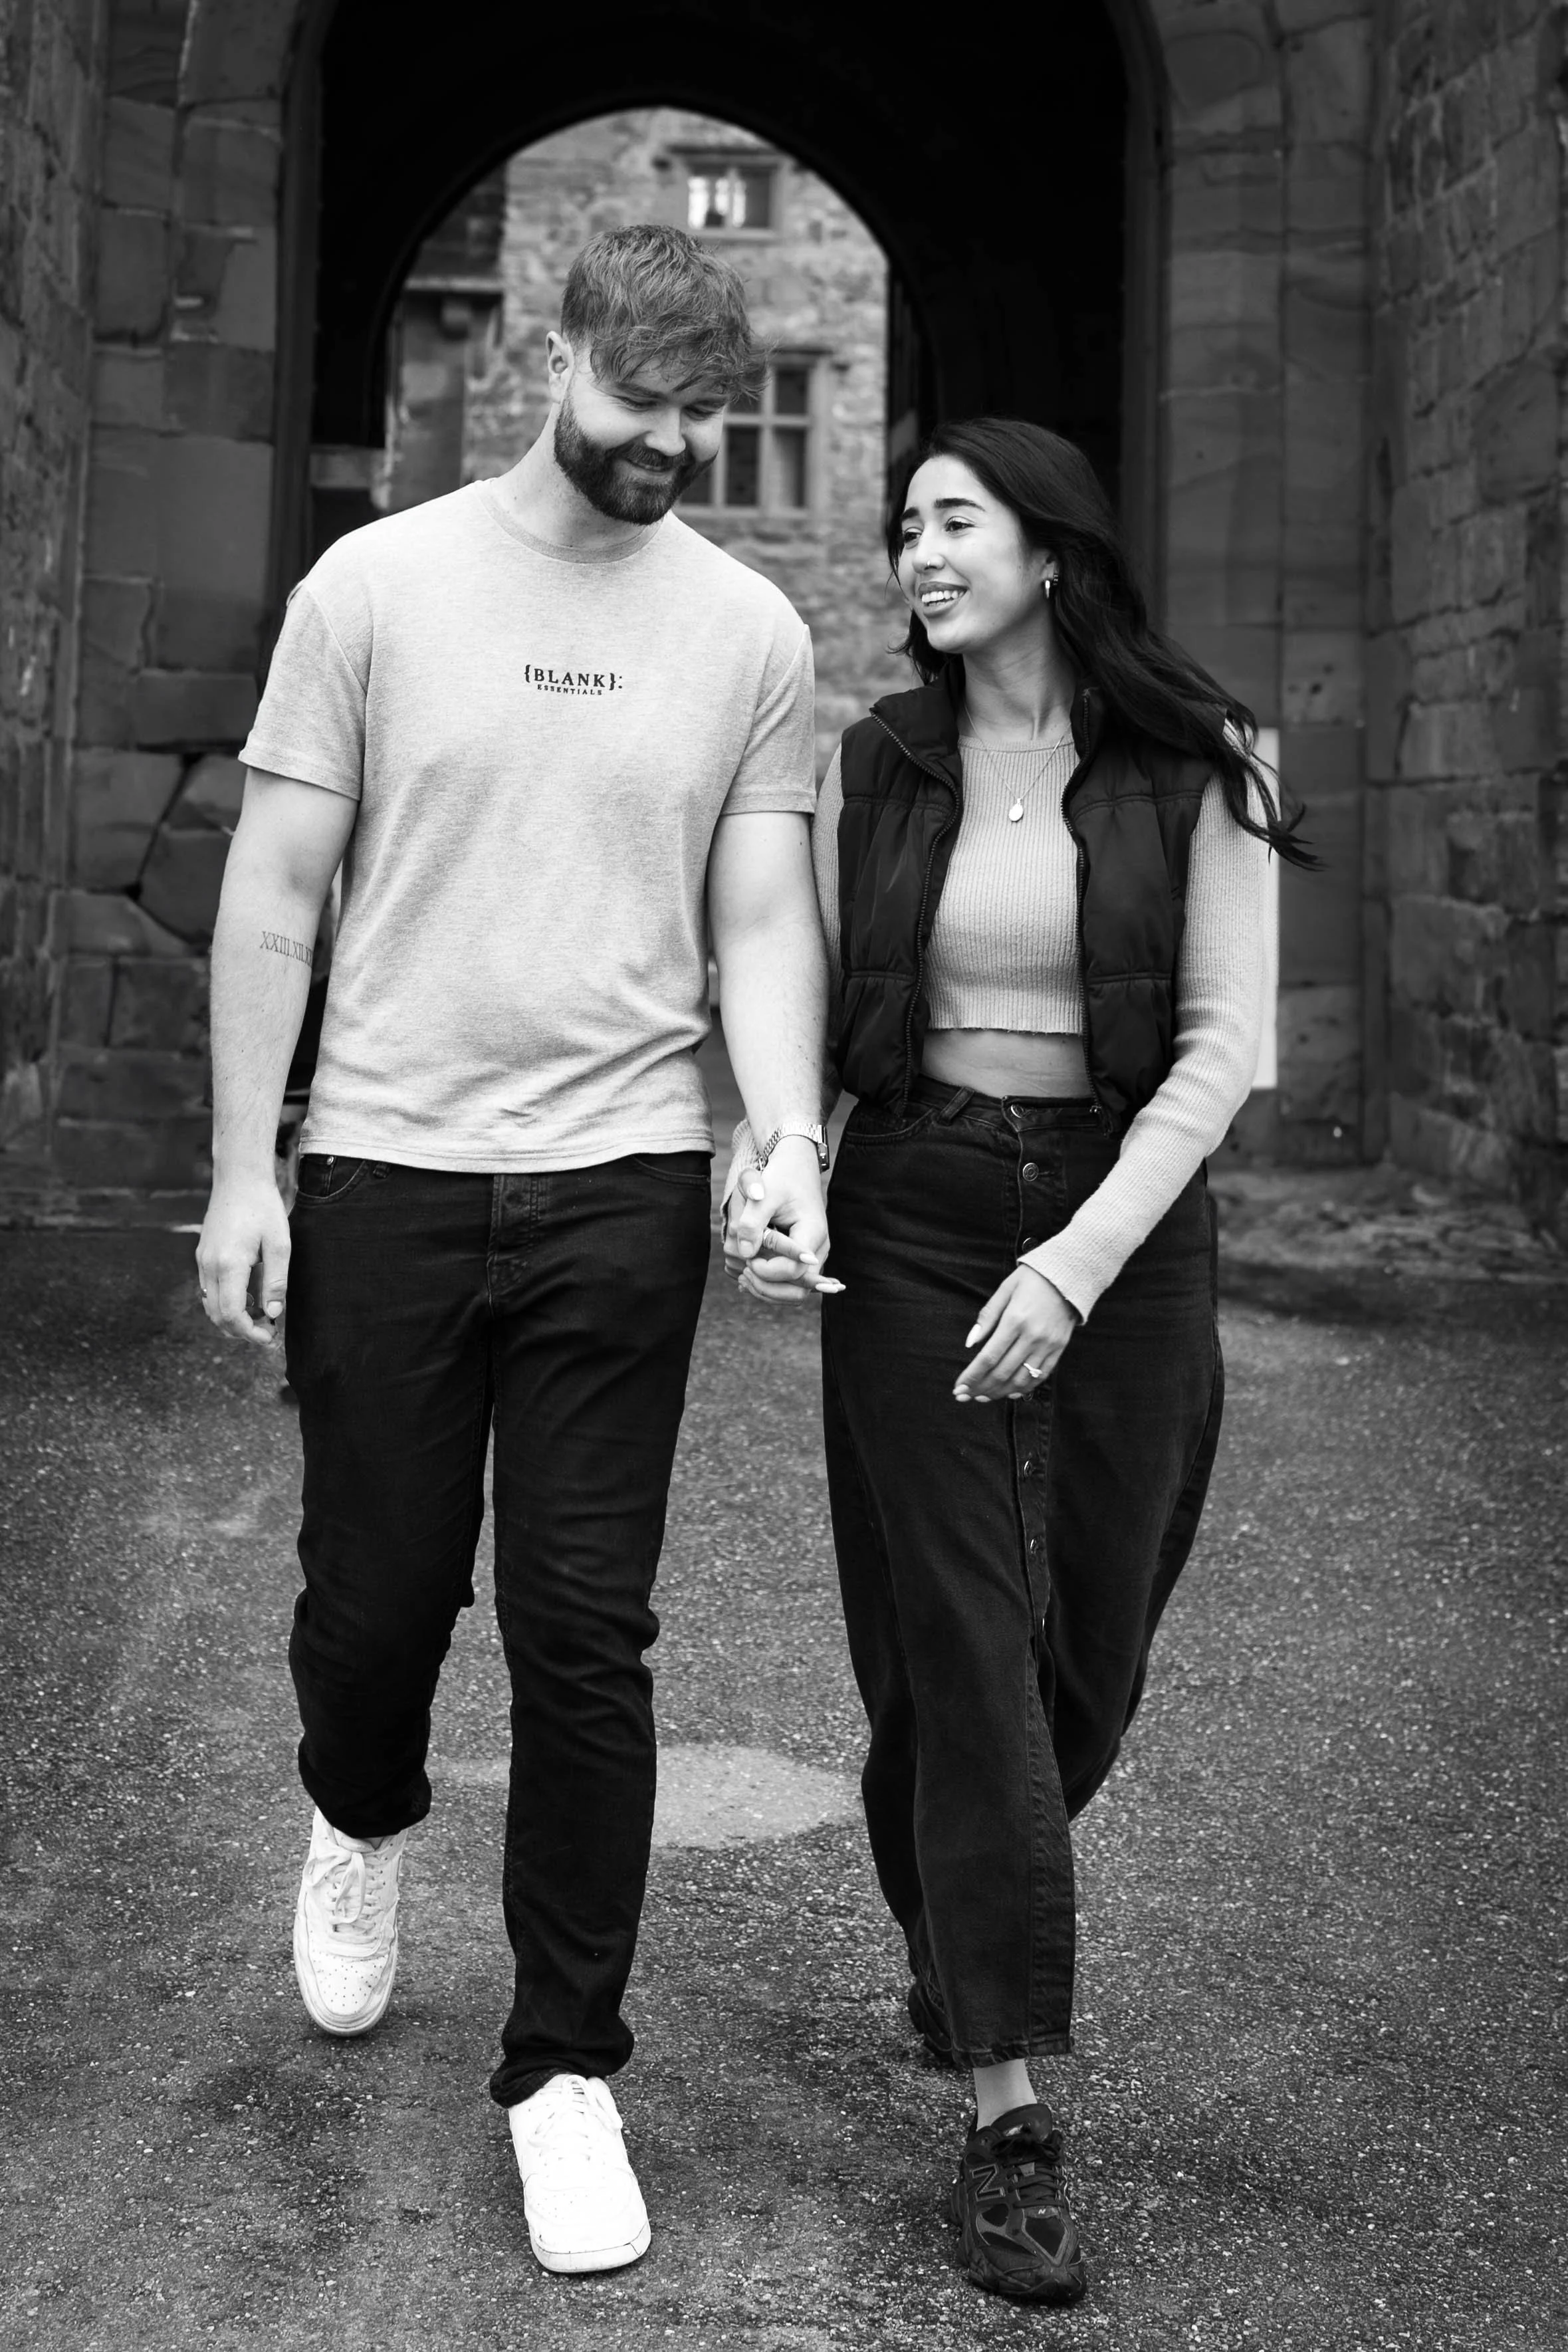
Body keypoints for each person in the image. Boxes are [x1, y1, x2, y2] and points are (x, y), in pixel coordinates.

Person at [196, 223, 832, 2278]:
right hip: (384, 1169)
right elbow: (275, 888)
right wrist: (244, 1168)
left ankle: (564, 2068)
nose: (674, 444)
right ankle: (358, 1812)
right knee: (376, 1608)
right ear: (555, 357)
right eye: (643, 402)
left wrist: (783, 1139)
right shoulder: (376, 588)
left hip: (617, 1187)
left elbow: (760, 915)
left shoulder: (747, 631)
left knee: (583, 1634)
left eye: (706, 415)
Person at [727, 417, 1313, 2305]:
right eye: (904, 524)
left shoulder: (1201, 761)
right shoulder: (880, 760)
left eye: (954, 520)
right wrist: (781, 1163)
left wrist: (1072, 1262)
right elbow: (804, 984)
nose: (917, 552)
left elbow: (1217, 1050)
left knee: (1090, 1644)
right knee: (963, 1635)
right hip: (914, 1203)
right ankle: (1009, 2113)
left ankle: (950, 1882)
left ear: (1049, 549)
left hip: (1121, 1220)